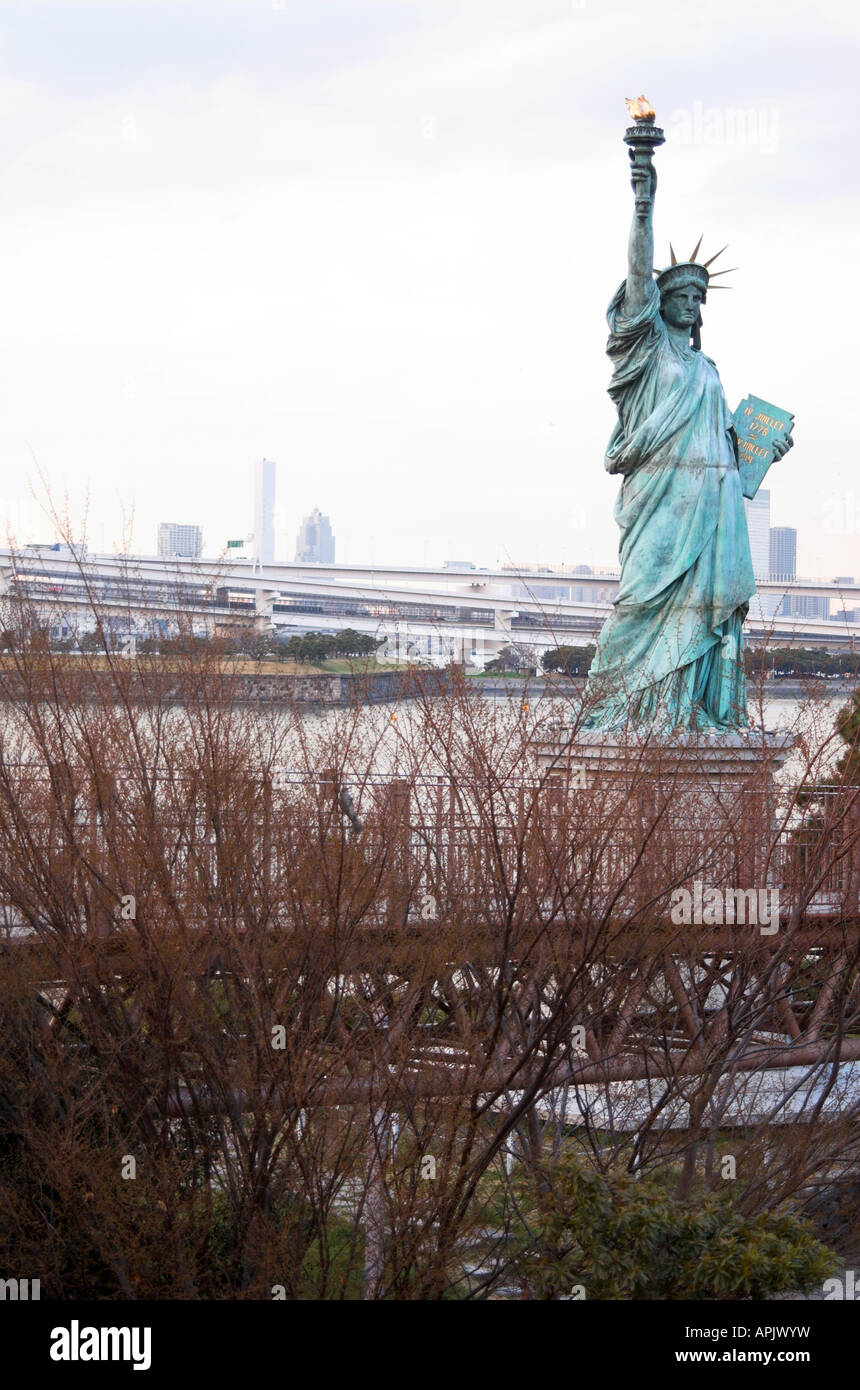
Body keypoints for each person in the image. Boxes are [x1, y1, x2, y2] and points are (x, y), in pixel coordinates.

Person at [584, 152, 793, 731]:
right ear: (660, 302)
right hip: (659, 501)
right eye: (683, 293)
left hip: (712, 507)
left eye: (700, 297)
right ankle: (624, 706)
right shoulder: (647, 352)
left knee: (703, 607)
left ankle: (691, 707)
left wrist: (763, 452)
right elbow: (637, 274)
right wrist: (643, 204)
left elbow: (728, 450)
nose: (693, 302)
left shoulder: (708, 370)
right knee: (640, 599)